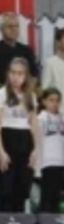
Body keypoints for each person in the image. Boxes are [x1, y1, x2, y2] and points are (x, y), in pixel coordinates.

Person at [0, 57, 38, 212]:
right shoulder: (2, 94)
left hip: (25, 141)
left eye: (20, 73)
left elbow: (34, 125)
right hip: (7, 138)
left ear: (25, 76)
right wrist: (1, 151)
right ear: (8, 74)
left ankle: (20, 223)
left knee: (22, 187)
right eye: (13, 73)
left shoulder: (30, 96)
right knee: (6, 187)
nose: (16, 77)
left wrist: (36, 149)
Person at [35, 88, 64, 213]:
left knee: (56, 200)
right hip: (46, 165)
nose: (54, 103)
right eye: (51, 100)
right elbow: (37, 144)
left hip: (61, 164)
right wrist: (37, 169)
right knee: (46, 199)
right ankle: (43, 222)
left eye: (57, 100)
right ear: (44, 102)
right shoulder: (40, 120)